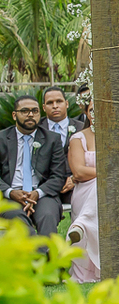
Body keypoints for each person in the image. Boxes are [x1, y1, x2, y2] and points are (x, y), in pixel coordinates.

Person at [0, 95, 66, 237]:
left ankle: (44, 256)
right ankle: (41, 255)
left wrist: (37, 193)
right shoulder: (2, 139)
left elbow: (59, 176)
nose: (31, 114)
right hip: (9, 197)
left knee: (47, 216)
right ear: (14, 115)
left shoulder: (52, 139)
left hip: (43, 195)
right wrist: (10, 192)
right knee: (17, 216)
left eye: (35, 111)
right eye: (25, 111)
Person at [65, 102, 99, 282]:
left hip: (112, 193)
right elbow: (78, 171)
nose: (96, 113)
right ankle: (82, 223)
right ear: (86, 113)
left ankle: (81, 225)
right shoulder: (78, 138)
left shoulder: (117, 135)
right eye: (92, 109)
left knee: (101, 186)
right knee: (99, 185)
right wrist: (108, 175)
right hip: (85, 191)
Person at [40, 87, 83, 207]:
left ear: (67, 103)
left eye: (59, 101)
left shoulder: (82, 128)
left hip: (76, 184)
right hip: (45, 186)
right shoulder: (37, 130)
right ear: (44, 107)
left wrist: (74, 179)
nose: (55, 106)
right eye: (50, 103)